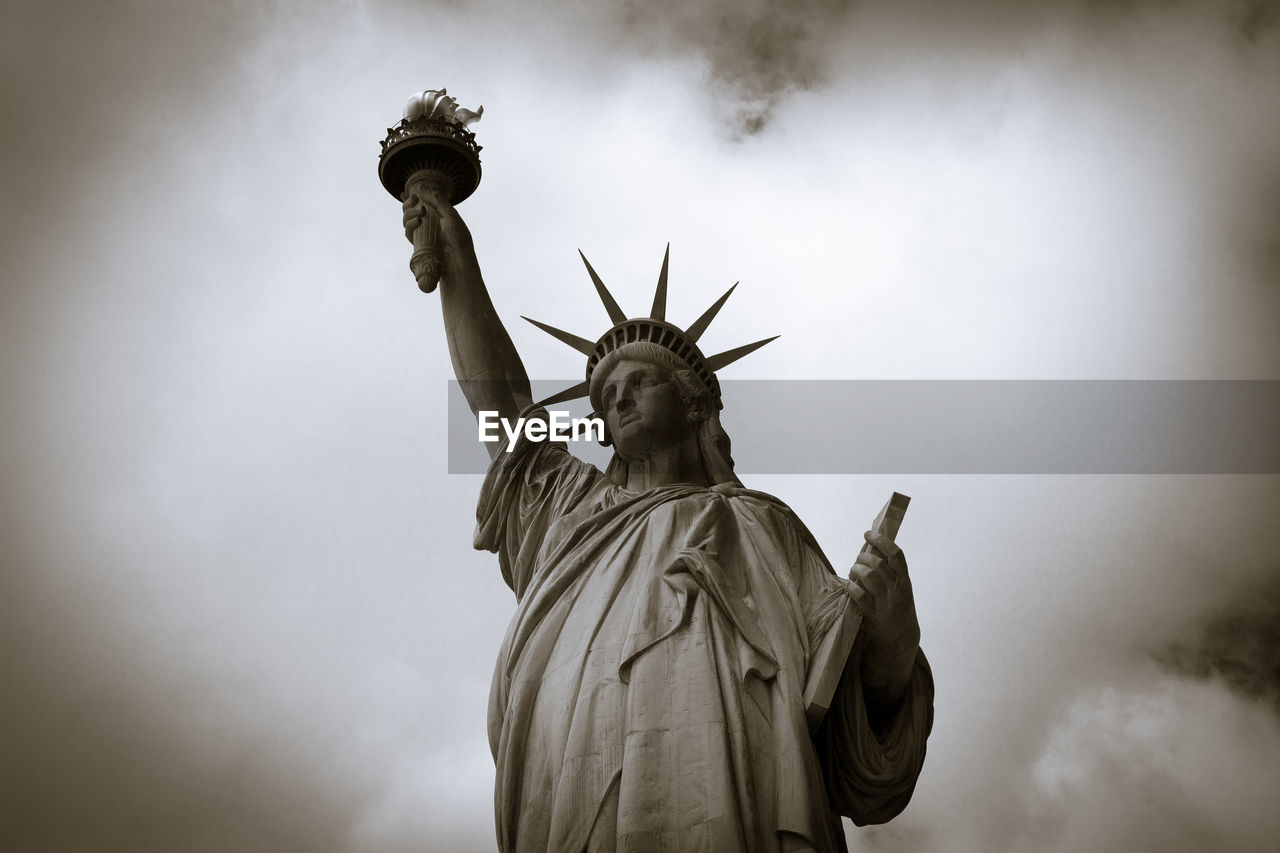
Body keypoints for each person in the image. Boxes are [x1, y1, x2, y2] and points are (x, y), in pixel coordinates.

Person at [404, 184, 934, 853]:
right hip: (575, 775)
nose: (620, 399)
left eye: (640, 383)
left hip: (737, 783)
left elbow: (851, 709)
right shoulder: (573, 511)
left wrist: (891, 637)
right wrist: (459, 267)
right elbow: (507, 421)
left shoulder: (763, 526)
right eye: (607, 396)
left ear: (693, 406)